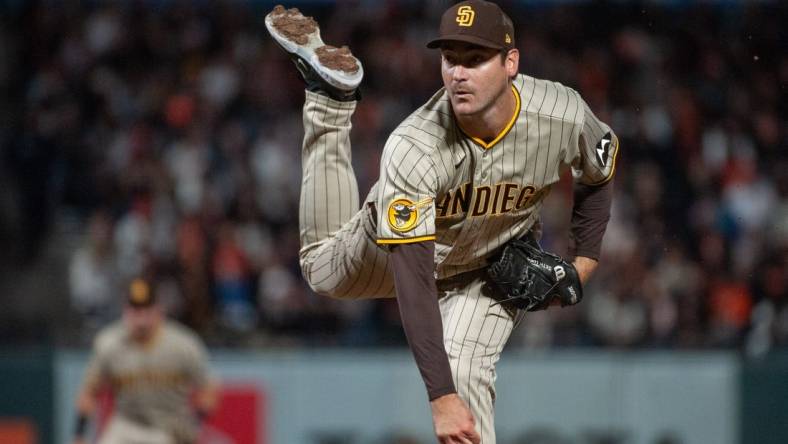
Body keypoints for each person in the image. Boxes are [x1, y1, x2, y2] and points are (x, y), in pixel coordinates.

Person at [266, 1, 618, 442]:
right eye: (450, 59)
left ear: (511, 62)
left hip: (490, 265)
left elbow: (598, 171)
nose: (458, 73)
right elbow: (414, 277)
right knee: (321, 272)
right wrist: (440, 397)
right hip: (401, 253)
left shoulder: (561, 113)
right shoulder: (415, 147)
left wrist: (581, 266)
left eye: (475, 60)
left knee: (466, 364)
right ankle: (330, 102)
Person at [72, 278, 220, 444]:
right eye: (136, 309)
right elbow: (89, 393)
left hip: (170, 426)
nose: (141, 317)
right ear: (125, 310)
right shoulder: (109, 343)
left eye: (146, 309)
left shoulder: (182, 344)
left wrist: (195, 425)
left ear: (159, 310)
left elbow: (208, 391)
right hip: (126, 424)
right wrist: (79, 435)